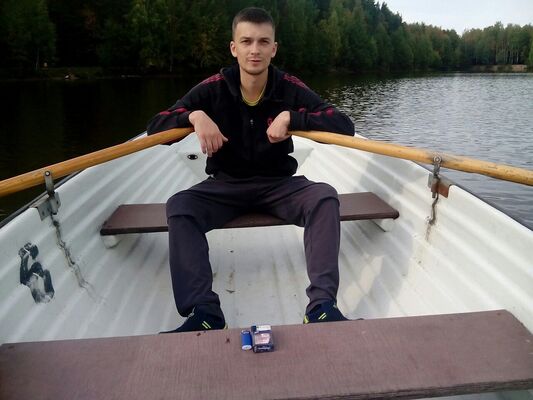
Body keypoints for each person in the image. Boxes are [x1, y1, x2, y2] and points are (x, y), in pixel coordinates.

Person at [147, 7, 355, 333]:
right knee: (181, 206)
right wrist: (194, 117)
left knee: (324, 197)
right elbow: (156, 127)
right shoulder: (213, 88)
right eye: (246, 41)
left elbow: (343, 125)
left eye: (263, 42)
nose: (254, 50)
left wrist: (293, 118)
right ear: (234, 48)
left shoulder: (288, 86)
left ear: (274, 48)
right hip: (225, 186)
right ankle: (205, 313)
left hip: (279, 185)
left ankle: (321, 308)